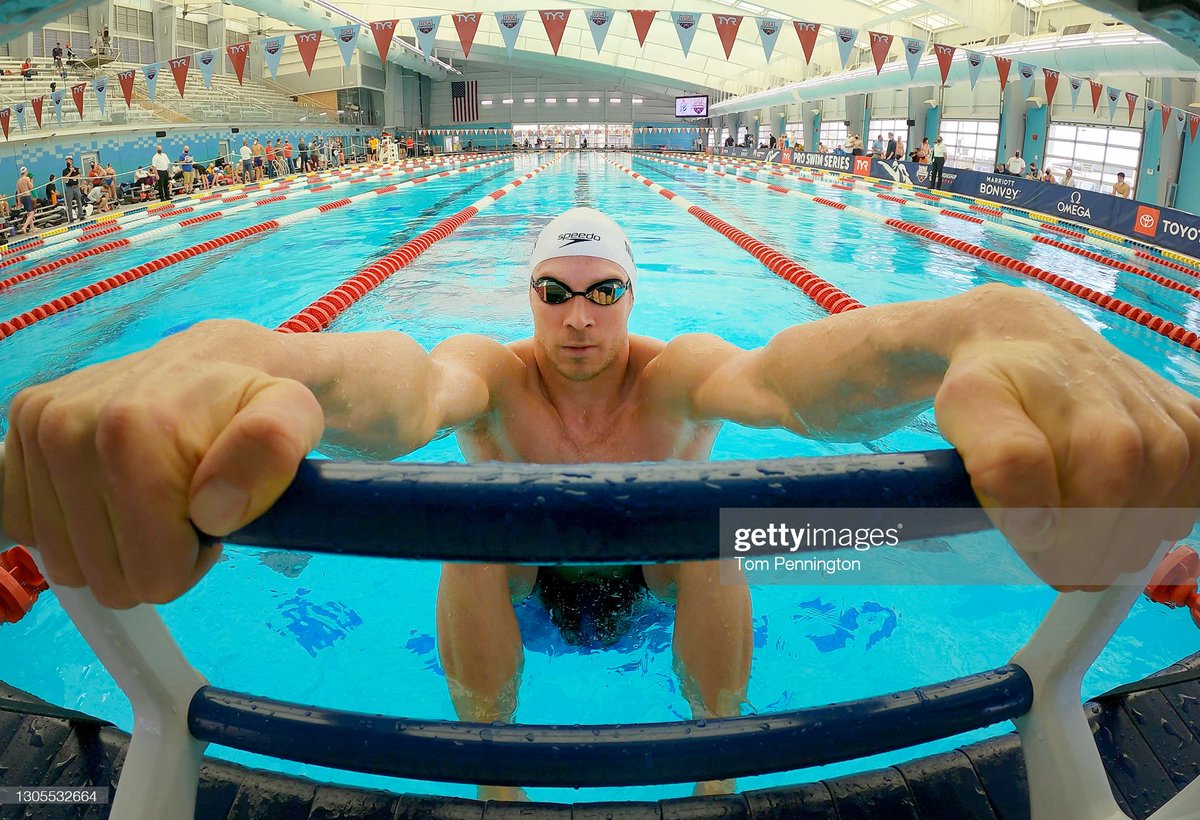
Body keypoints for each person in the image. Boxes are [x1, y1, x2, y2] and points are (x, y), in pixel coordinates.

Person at [5, 207, 1200, 801]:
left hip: (670, 589)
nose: (582, 317)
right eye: (557, 292)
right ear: (527, 296)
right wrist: (268, 355)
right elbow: (401, 387)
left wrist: (962, 328)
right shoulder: (489, 373)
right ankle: (497, 784)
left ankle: (719, 781)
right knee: (474, 537)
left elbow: (794, 381)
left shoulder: (677, 376)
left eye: (606, 291)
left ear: (635, 294)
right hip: (511, 591)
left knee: (721, 525)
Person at [61, 155, 84, 222]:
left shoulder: (76, 169)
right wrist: (70, 172)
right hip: (69, 188)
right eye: (67, 160)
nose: (68, 161)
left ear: (71, 161)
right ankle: (71, 217)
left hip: (76, 187)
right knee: (69, 203)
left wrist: (73, 176)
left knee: (79, 201)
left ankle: (81, 215)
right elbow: (64, 179)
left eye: (69, 160)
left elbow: (78, 176)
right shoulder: (64, 171)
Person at [15, 167, 36, 234]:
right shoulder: (27, 179)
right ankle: (24, 227)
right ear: (26, 172)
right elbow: (31, 187)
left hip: (22, 199)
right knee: (32, 214)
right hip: (27, 197)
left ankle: (33, 229)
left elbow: (18, 193)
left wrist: (18, 202)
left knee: (29, 213)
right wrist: (32, 180)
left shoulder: (18, 181)